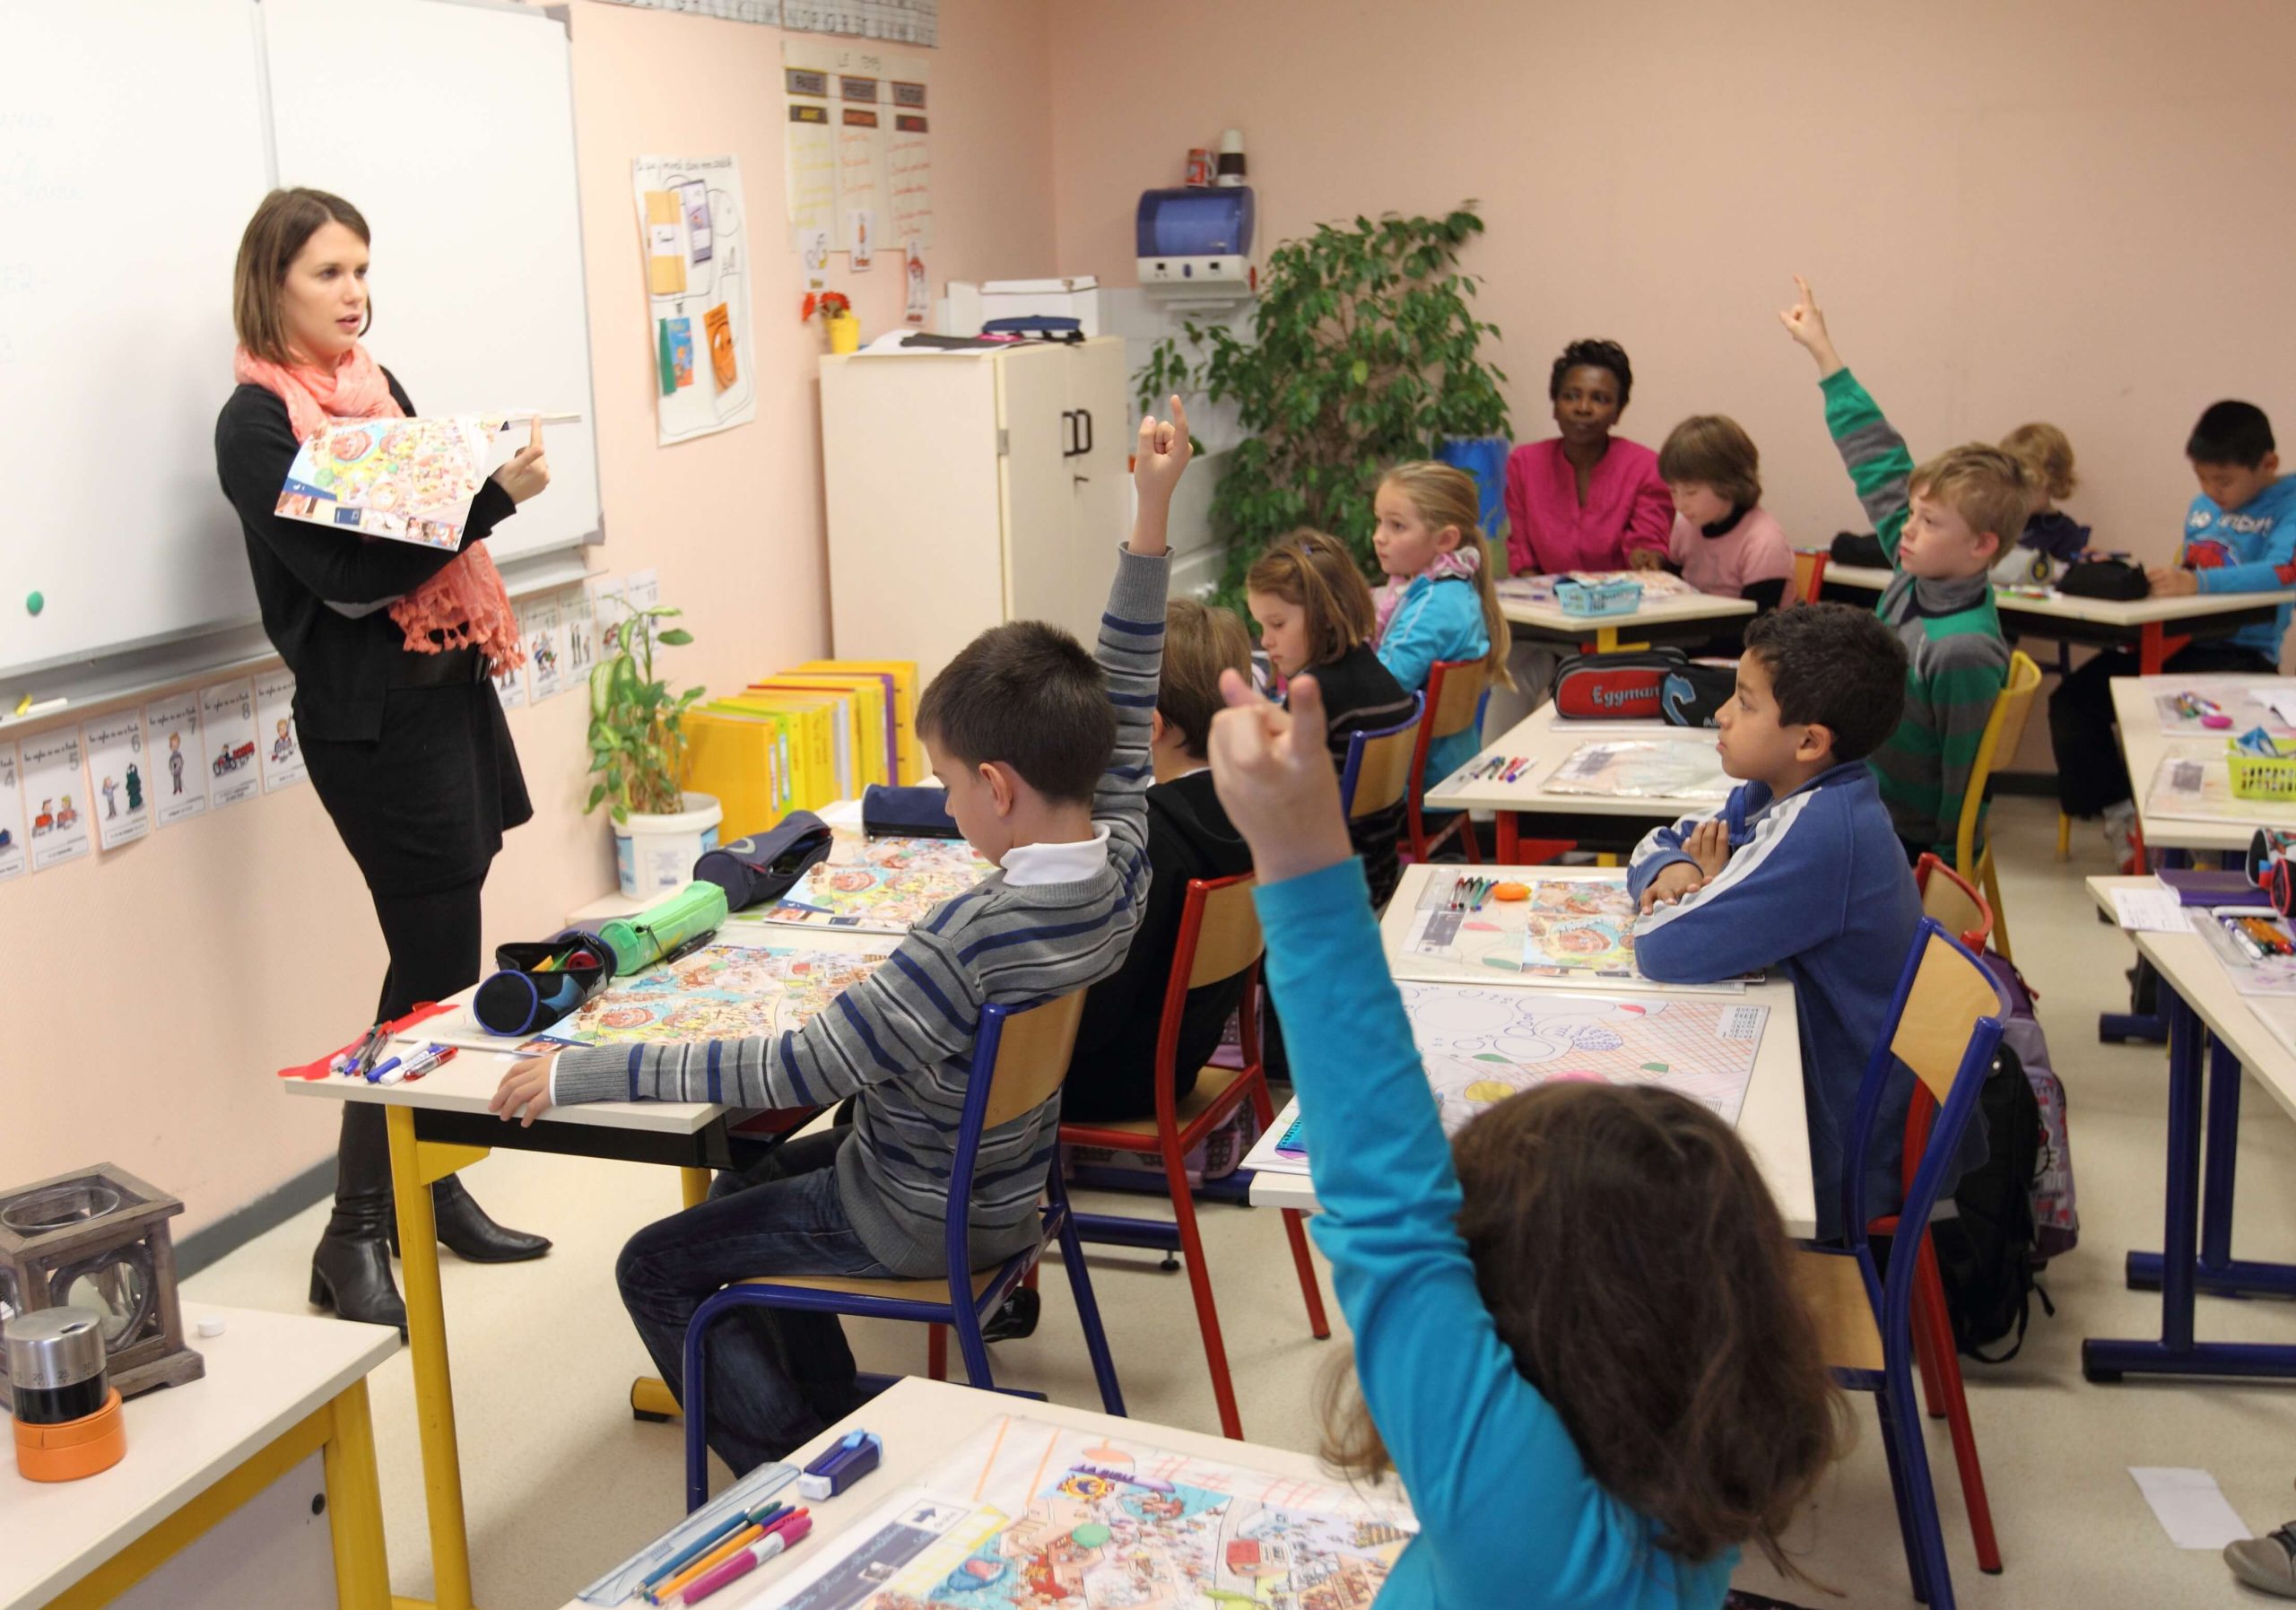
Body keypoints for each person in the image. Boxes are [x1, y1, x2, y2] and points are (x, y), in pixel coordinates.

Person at [489, 401, 1194, 1474]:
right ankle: (829, 1415)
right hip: (1002, 1185)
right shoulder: (1125, 861)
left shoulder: (972, 932)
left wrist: (582, 1071)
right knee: (744, 1183)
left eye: (952, 788)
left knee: (654, 1266)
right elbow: (1129, 687)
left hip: (911, 1208)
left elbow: (794, 1063)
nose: (947, 808)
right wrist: (1151, 510)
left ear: (999, 787)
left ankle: (800, 1478)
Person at [1203, 665, 1842, 1608]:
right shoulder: (1693, 1473)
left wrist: (1297, 866)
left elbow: (1391, 1211)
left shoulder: (1529, 1541)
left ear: (1519, 1291)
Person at [215, 187, 552, 1336]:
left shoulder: (381, 393)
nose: (355, 294)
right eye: (328, 274)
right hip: (373, 725)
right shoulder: (256, 425)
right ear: (273, 286)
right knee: (426, 964)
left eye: (362, 270)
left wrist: (471, 492)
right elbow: (357, 576)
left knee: (442, 972)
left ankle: (432, 1181)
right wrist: (490, 498)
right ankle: (352, 1229)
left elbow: (414, 532)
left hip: (448, 697)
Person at [1629, 604, 1933, 1238]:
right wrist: (1674, 871)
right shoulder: (1789, 787)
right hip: (1827, 1085)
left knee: (1643, 1173)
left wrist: (1701, 886)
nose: (1721, 714)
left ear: (1809, 740)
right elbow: (1665, 836)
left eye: (1744, 701)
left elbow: (1659, 945)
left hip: (1838, 1139)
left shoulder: (1822, 829)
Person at [1779, 274, 2020, 865]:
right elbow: (1879, 461)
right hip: (1859, 789)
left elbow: (1966, 791)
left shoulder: (1962, 647)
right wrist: (1822, 351)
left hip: (1897, 836)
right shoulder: (1923, 568)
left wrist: (1942, 868)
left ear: (1981, 545)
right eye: (1911, 514)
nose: (1906, 529)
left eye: (1929, 521)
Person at [2049, 401, 2294, 863]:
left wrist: (2197, 582)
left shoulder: (2290, 504)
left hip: (2239, 658)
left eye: (2223, 481)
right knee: (2072, 703)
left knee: (2174, 735)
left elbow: (2284, 571)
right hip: (2175, 645)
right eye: (2202, 479)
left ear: (2268, 465)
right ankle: (2123, 816)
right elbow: (2189, 572)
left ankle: (2193, 848)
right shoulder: (2202, 507)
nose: (2211, 491)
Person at [1058, 597, 1255, 1125]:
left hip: (1116, 1082)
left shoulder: (1152, 837)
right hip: (1181, 1062)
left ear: (1149, 727)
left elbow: (1096, 1021)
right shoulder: (1252, 805)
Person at [1489, 337, 1675, 730]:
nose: (1584, 408)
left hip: (1625, 630)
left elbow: (1648, 547)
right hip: (1548, 628)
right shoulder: (1525, 463)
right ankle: (1492, 780)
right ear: (1555, 403)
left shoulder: (1645, 466)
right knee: (1509, 671)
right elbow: (1522, 554)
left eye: (1600, 398)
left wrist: (1647, 559)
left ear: (1618, 411)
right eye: (1571, 395)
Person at [1245, 531, 1414, 907]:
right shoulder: (1375, 671)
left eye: (1276, 624)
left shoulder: (1313, 695)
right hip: (1380, 874)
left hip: (1327, 891)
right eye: (1260, 627)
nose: (1266, 640)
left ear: (1323, 616)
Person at [1369, 462, 1513, 793]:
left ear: (1445, 539)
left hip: (1417, 785)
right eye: (1379, 521)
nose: (1379, 537)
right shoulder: (1447, 591)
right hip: (1445, 773)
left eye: (1397, 526)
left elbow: (1381, 689)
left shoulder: (1434, 606)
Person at [1658, 414, 1796, 631]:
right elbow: (1669, 591)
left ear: (1729, 484)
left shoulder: (1764, 542)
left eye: (1691, 492)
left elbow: (1755, 629)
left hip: (1743, 651)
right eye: (1673, 491)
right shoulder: (1686, 526)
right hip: (1690, 638)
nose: (1679, 504)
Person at [1993, 422, 2092, 587]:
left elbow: (2068, 583)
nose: (2017, 493)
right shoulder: (1997, 522)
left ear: (2053, 482)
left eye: (2028, 483)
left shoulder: (2065, 532)